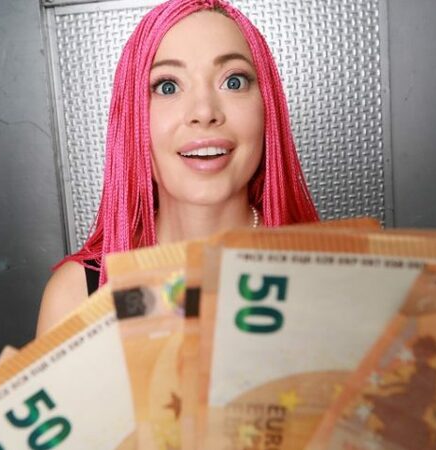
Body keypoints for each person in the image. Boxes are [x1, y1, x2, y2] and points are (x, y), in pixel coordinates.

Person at [37, 0, 319, 335]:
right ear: (133, 116)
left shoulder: (333, 274)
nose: (204, 112)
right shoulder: (74, 297)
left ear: (267, 106)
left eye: (234, 81)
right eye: (167, 86)